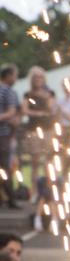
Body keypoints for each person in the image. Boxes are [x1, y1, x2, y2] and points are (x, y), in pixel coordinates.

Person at [21, 66, 57, 201]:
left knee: (48, 161)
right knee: (34, 162)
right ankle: (34, 192)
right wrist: (39, 113)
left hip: (47, 130)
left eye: (40, 77)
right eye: (35, 77)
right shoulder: (28, 94)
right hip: (33, 130)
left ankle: (47, 192)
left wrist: (41, 107)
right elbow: (25, 110)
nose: (38, 80)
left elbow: (51, 109)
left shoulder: (50, 93)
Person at [0, 64, 22, 208]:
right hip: (3, 135)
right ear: (8, 76)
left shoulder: (8, 92)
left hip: (4, 135)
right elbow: (12, 112)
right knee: (5, 167)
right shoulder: (9, 91)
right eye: (14, 75)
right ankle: (10, 200)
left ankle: (6, 199)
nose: (16, 78)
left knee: (5, 167)